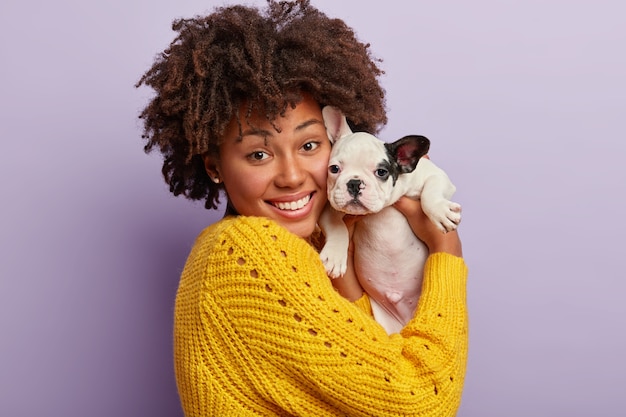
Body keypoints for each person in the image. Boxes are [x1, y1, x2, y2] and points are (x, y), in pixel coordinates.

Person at [136, 1, 468, 416]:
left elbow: (370, 357)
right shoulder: (242, 254)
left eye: (309, 145)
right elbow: (419, 404)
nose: (292, 176)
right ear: (215, 167)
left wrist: (346, 268)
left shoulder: (307, 243)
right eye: (258, 154)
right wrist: (445, 250)